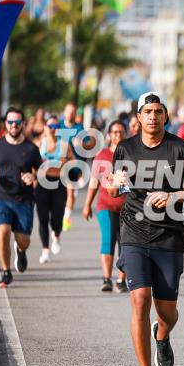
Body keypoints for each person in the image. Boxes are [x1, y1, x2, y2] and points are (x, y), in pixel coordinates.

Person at [107, 92, 184, 366]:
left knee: (168, 313)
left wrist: (175, 196)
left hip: (169, 236)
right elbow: (114, 188)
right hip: (134, 232)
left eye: (158, 111)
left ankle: (162, 336)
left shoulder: (180, 148)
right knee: (140, 301)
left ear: (165, 115)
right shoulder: (125, 149)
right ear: (138, 117)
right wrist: (113, 185)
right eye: (147, 111)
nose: (153, 116)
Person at [0, 107, 43, 287]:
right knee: (3, 232)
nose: (13, 125)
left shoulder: (31, 148)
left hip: (24, 199)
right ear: (5, 123)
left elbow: (41, 170)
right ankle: (6, 272)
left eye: (17, 122)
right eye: (10, 122)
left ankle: (20, 251)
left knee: (23, 240)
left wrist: (34, 176)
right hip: (0, 197)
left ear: (22, 123)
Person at [82, 120, 129, 292]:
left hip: (127, 207)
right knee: (108, 240)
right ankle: (107, 278)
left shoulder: (131, 154)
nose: (118, 135)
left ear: (125, 134)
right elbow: (94, 182)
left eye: (121, 132)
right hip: (105, 205)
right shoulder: (102, 155)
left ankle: (121, 280)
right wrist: (87, 204)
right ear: (109, 135)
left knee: (126, 243)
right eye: (115, 132)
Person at [32, 115, 72, 264]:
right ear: (45, 128)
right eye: (50, 126)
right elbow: (30, 163)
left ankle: (56, 235)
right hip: (42, 184)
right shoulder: (38, 144)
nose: (53, 129)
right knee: (42, 218)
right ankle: (45, 250)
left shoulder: (64, 145)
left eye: (56, 127)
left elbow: (74, 163)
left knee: (57, 216)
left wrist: (66, 163)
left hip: (58, 184)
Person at [59, 103, 83, 232]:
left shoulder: (79, 128)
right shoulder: (58, 125)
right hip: (58, 165)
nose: (70, 114)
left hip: (73, 165)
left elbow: (87, 145)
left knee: (70, 192)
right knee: (60, 193)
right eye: (68, 112)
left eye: (72, 112)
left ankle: (66, 218)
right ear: (64, 112)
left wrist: (80, 144)